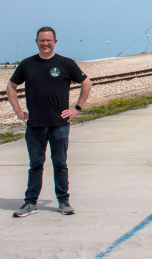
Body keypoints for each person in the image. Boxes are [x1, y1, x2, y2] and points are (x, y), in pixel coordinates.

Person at [6, 26, 92, 217]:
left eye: (49, 40)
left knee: (60, 163)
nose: (45, 43)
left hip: (59, 125)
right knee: (35, 164)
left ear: (55, 42)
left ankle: (63, 201)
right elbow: (11, 86)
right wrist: (18, 111)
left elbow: (86, 83)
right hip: (35, 125)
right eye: (42, 40)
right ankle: (30, 203)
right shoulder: (27, 64)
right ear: (36, 42)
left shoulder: (66, 63)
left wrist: (76, 108)